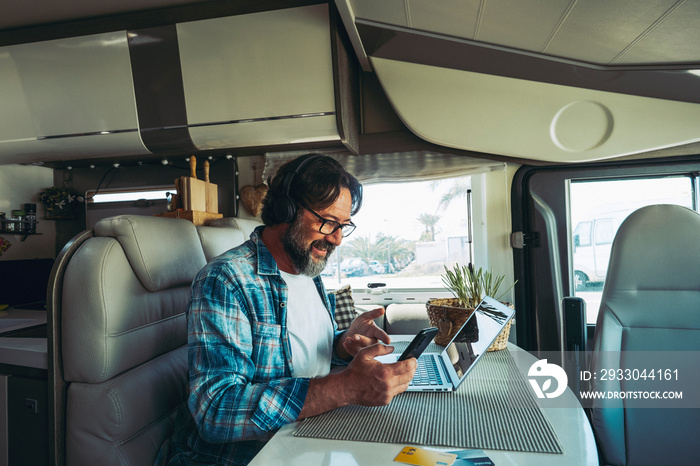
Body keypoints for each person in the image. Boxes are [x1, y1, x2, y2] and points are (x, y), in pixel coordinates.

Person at [159, 154, 417, 465]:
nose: (336, 238)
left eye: (343, 226)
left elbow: (299, 355)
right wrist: (344, 388)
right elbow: (215, 411)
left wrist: (342, 343)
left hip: (307, 438)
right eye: (327, 222)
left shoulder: (308, 270)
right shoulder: (227, 281)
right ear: (286, 210)